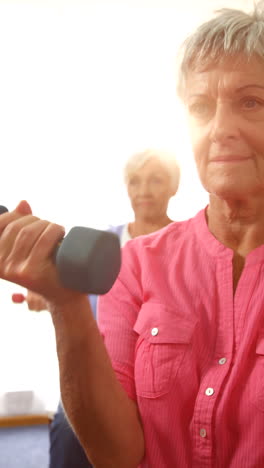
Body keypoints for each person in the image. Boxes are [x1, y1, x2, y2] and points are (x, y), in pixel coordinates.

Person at [1, 3, 264, 466]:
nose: (220, 129)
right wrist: (65, 302)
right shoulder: (136, 261)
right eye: (201, 107)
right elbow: (117, 455)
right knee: (67, 433)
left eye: (251, 102)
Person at [19, 148, 180, 468]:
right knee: (68, 430)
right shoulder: (102, 243)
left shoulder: (189, 245)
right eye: (135, 182)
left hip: (164, 369)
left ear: (173, 187)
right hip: (102, 367)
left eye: (155, 181)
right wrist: (47, 296)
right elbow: (70, 294)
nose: (144, 191)